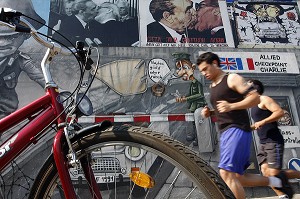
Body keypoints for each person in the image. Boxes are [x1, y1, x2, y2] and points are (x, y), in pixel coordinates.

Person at [196, 52, 294, 199]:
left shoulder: (232, 78)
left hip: (236, 129)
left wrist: (231, 106)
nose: (204, 73)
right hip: (226, 132)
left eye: (205, 69)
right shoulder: (213, 86)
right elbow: (223, 107)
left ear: (215, 63)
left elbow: (254, 98)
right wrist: (210, 112)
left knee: (226, 173)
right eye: (201, 71)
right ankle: (277, 181)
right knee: (238, 178)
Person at [249, 79, 300, 199]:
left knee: (274, 173)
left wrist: (263, 121)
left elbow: (279, 112)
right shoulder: (253, 105)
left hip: (273, 141)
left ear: (255, 89)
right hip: (263, 142)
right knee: (266, 172)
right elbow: (258, 124)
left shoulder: (264, 99)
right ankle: (282, 196)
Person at [0, 0, 45, 119]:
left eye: (12, 37)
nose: (3, 43)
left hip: (5, 113)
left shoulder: (20, 60)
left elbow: (41, 78)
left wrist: (57, 91)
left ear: (26, 35)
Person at [172, 52, 207, 146]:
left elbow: (199, 94)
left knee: (198, 123)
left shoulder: (197, 83)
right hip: (193, 106)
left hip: (199, 106)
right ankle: (193, 136)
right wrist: (183, 97)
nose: (182, 71)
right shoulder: (192, 83)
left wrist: (186, 98)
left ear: (193, 67)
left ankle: (198, 138)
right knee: (192, 121)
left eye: (185, 68)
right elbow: (190, 94)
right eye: (179, 69)